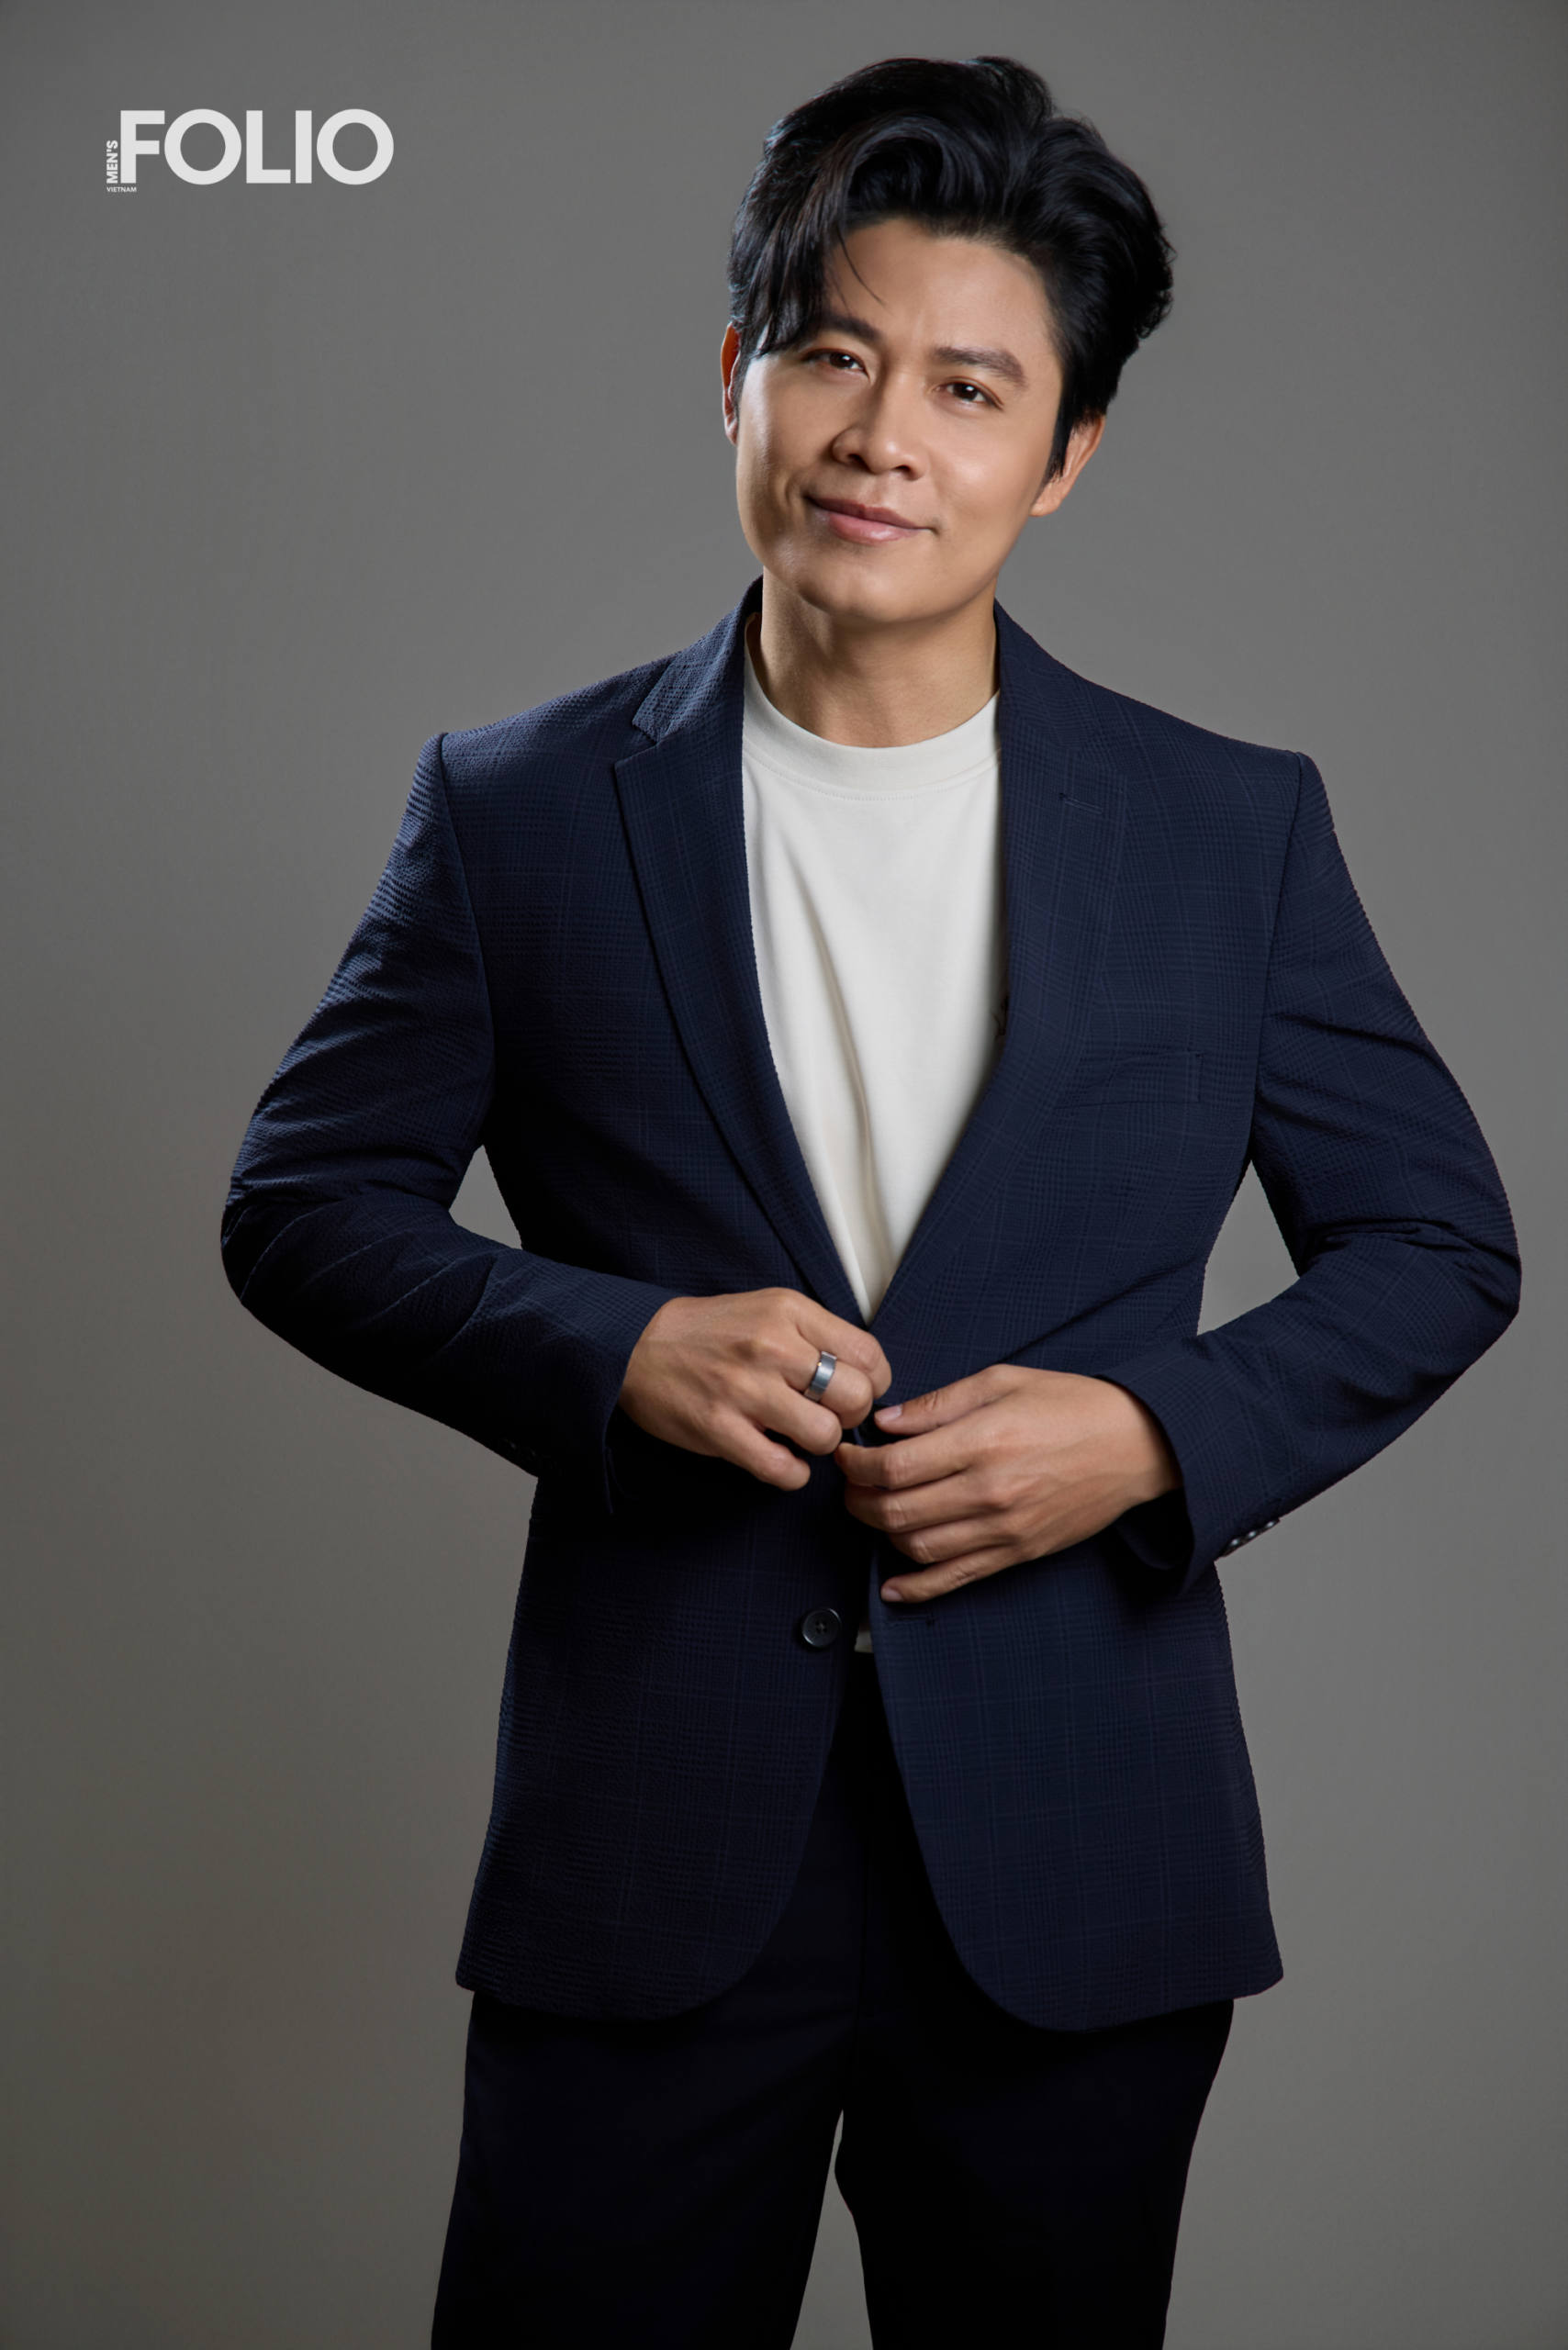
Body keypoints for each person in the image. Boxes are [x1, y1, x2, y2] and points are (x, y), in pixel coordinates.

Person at [223, 55, 1518, 2349]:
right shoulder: (515, 811)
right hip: (645, 1849)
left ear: (1063, 449)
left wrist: (1151, 1436)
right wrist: (609, 1343)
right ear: (734, 374)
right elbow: (304, 1198)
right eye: (830, 354)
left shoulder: (1225, 832)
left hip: (1075, 1857)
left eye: (965, 384)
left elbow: (1438, 1241)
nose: (879, 435)